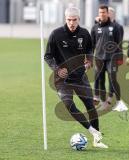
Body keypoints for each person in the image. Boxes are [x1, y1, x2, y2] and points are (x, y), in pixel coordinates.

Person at [44, 7, 108, 148]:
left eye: (74, 20)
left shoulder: (84, 33)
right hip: (62, 80)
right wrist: (57, 69)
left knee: (91, 107)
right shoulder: (56, 34)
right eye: (69, 20)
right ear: (65, 19)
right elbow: (47, 56)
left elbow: (89, 49)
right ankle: (93, 132)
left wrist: (89, 60)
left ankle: (97, 141)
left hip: (80, 77)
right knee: (68, 105)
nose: (71, 23)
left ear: (79, 19)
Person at [91, 5, 128, 112]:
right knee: (100, 80)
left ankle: (120, 102)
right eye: (100, 12)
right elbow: (92, 44)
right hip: (99, 58)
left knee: (113, 78)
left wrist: (120, 57)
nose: (102, 14)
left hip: (112, 57)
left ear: (108, 13)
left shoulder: (116, 27)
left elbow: (119, 43)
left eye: (104, 12)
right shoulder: (95, 28)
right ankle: (103, 102)